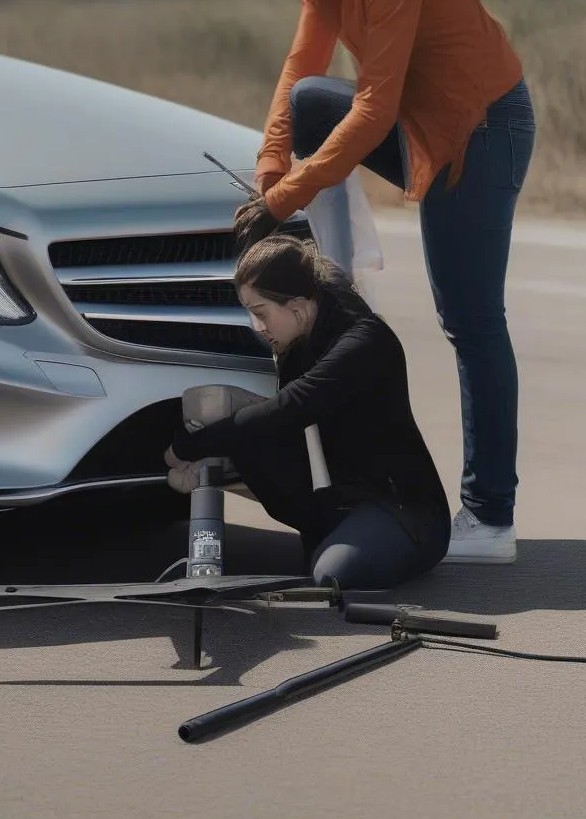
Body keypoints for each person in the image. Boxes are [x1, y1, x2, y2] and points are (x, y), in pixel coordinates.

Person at [220, 0, 535, 564]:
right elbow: (301, 71)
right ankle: (338, 279)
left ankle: (491, 518)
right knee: (309, 102)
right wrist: (272, 165)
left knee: (473, 323)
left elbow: (372, 108)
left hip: (478, 132)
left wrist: (283, 202)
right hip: (421, 122)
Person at [164, 234, 451, 590]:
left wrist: (188, 446)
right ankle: (332, 535)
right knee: (234, 417)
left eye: (260, 314)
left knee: (333, 575)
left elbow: (290, 409)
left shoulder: (364, 344)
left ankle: (355, 543)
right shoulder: (303, 334)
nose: (259, 328)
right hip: (340, 499)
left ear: (297, 307)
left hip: (404, 513)